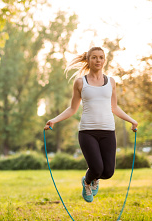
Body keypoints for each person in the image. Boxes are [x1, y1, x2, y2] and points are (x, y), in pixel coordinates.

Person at [44, 47, 138, 203]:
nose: (98, 60)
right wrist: (54, 120)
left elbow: (114, 107)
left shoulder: (111, 82)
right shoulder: (80, 82)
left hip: (108, 131)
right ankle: (87, 182)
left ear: (105, 60)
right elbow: (72, 108)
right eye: (94, 57)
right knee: (97, 168)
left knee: (108, 172)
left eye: (101, 57)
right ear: (88, 60)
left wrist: (132, 120)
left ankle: (94, 179)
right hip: (87, 132)